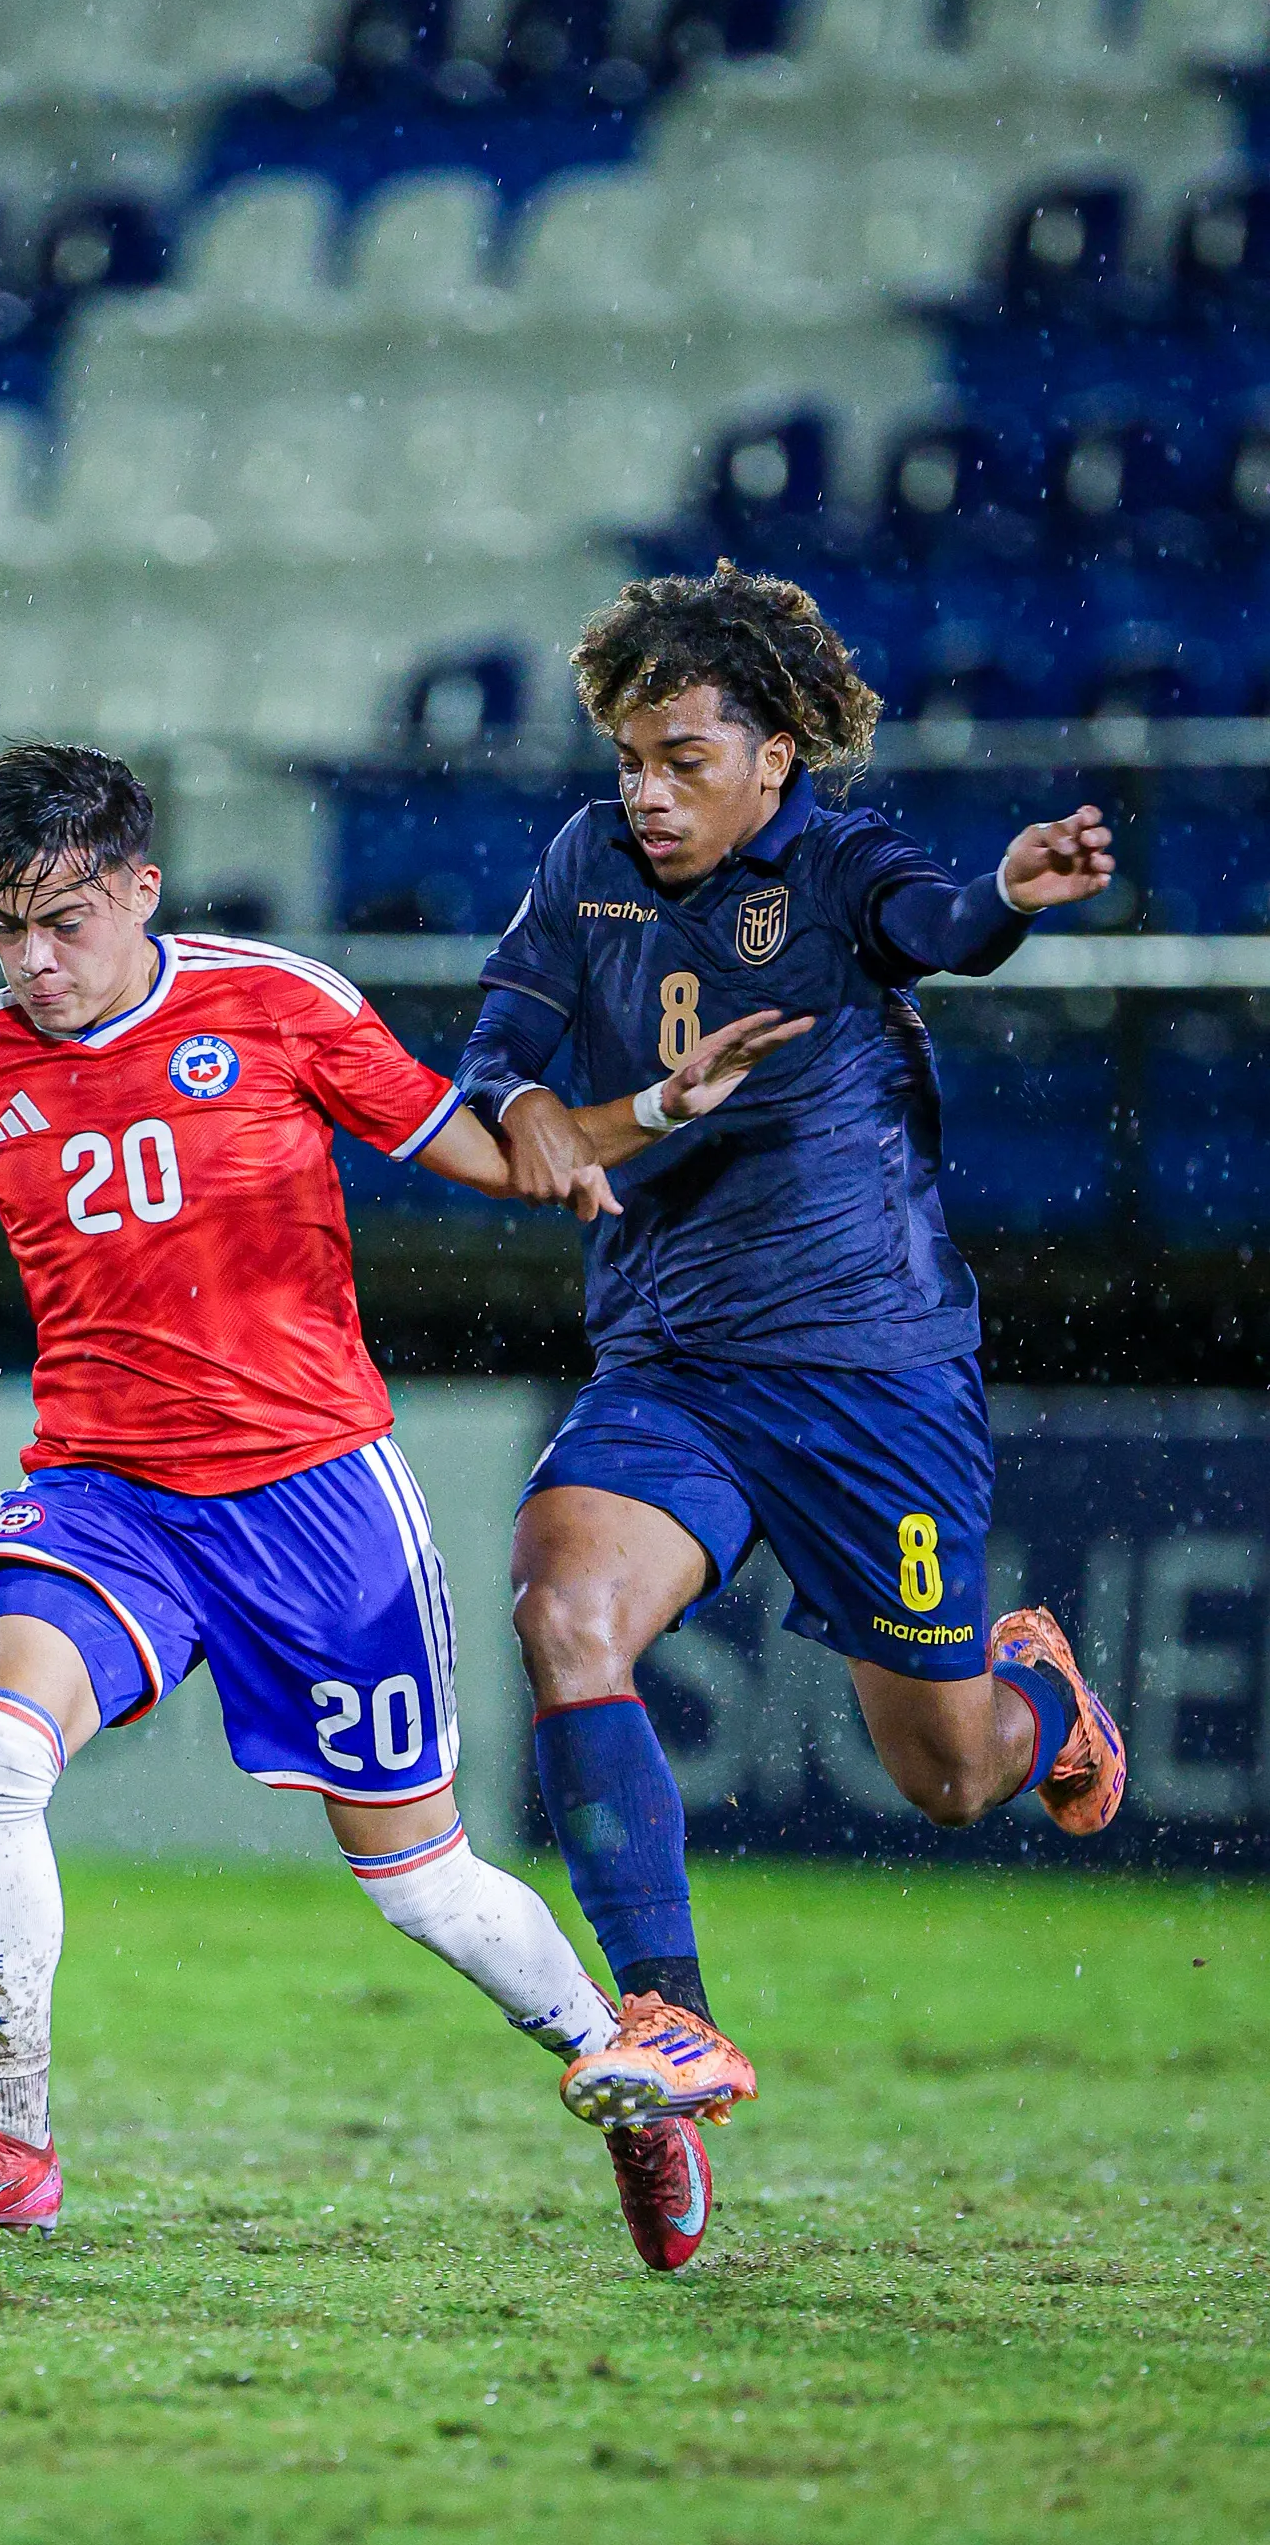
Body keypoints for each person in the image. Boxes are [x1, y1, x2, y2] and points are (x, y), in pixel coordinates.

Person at [0, 743, 797, 2274]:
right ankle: (13, 2144)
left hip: (313, 1500)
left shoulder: (277, 1004)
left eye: (67, 920)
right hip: (104, 1499)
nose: (34, 960)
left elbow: (486, 1155)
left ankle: (629, 2086)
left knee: (419, 1884)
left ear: (141, 889)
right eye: (6, 924)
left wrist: (634, 1115)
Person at [453, 561, 1123, 2139]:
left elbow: (937, 923)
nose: (647, 791)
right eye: (627, 758)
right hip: (670, 1358)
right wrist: (525, 1105)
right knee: (561, 1611)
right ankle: (667, 2014)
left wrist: (1009, 898)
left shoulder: (833, 866)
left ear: (772, 756)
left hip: (862, 1372)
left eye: (682, 758)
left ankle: (1035, 1692)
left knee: (948, 1774)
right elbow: (494, 1041)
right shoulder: (585, 860)